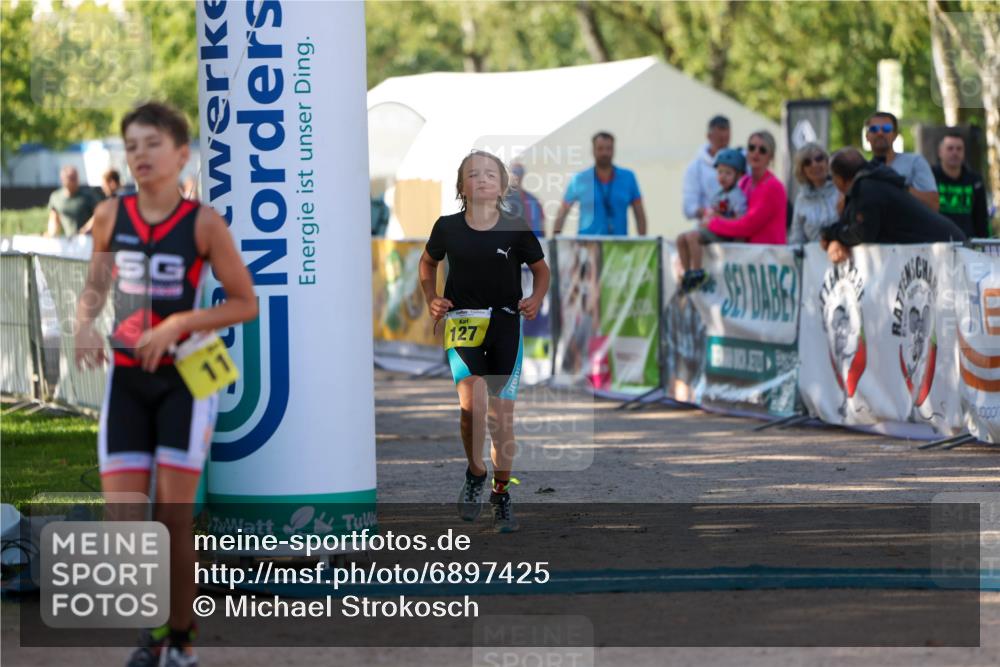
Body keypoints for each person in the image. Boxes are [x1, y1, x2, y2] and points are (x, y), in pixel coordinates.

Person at [74, 101, 258, 667]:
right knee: (125, 516)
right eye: (131, 145)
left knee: (174, 521)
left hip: (185, 382)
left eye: (152, 143)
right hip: (127, 382)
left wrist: (180, 322)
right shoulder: (109, 215)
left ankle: (179, 642)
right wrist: (83, 324)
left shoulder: (204, 223)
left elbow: (245, 304)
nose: (140, 155)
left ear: (182, 154)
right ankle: (153, 632)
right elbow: (95, 290)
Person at [418, 150, 550, 533]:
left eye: (491, 174)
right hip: (462, 324)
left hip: (507, 325)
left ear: (503, 185)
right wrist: (432, 297)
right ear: (461, 186)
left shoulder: (516, 228)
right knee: (471, 406)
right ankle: (476, 471)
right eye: (473, 175)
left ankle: (501, 492)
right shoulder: (446, 228)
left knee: (500, 419)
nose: (482, 179)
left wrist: (536, 299)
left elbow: (541, 272)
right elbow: (427, 263)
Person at [821, 147, 966, 264]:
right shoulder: (873, 181)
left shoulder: (867, 189)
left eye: (832, 177)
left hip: (947, 252)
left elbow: (862, 233)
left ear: (839, 178)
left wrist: (832, 234)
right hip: (945, 246)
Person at [676, 148, 748, 292]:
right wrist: (708, 217)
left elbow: (740, 219)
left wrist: (718, 219)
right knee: (680, 238)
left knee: (692, 237)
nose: (722, 176)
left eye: (728, 173)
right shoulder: (718, 194)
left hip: (726, 234)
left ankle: (698, 272)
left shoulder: (737, 196)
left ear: (738, 175)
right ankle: (687, 273)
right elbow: (713, 212)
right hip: (715, 229)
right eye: (720, 172)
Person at [552, 131, 647, 236]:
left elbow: (639, 214)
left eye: (608, 148)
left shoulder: (628, 177)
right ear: (593, 150)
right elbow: (563, 212)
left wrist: (643, 243)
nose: (604, 153)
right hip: (587, 246)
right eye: (600, 148)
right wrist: (554, 241)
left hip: (619, 247)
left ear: (614, 150)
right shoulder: (579, 179)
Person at [701, 130, 787, 244]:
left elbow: (748, 226)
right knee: (687, 238)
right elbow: (729, 212)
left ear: (770, 157)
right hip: (744, 256)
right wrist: (712, 214)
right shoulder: (745, 182)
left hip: (767, 257)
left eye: (762, 150)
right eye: (752, 148)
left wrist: (713, 223)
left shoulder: (773, 187)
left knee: (694, 237)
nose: (756, 152)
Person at [865, 111, 939, 211]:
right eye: (874, 129)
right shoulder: (863, 170)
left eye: (886, 129)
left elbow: (933, 205)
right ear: (867, 136)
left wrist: (901, 186)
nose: (880, 133)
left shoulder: (915, 162)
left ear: (895, 135)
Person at [932, 130, 990, 238]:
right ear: (940, 152)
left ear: (964, 153)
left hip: (969, 246)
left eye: (959, 149)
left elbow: (982, 219)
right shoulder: (929, 177)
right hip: (937, 245)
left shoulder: (975, 180)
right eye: (950, 148)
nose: (955, 152)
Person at [788, 142, 840, 243]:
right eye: (807, 162)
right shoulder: (801, 199)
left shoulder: (841, 189)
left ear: (827, 161)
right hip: (813, 256)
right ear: (802, 170)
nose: (814, 164)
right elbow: (797, 237)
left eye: (819, 158)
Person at [682, 115, 731, 221]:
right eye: (720, 139)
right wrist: (710, 213)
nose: (723, 145)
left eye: (726, 139)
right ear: (709, 136)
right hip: (707, 227)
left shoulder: (740, 162)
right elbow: (689, 207)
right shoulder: (695, 168)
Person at [45, 165, 100, 237]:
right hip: (69, 241)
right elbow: (54, 218)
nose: (75, 180)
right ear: (62, 179)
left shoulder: (88, 195)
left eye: (75, 177)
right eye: (71, 178)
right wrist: (52, 233)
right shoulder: (56, 197)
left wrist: (85, 229)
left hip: (89, 239)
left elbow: (98, 214)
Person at [504, 162, 545, 237]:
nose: (517, 175)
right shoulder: (500, 200)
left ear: (523, 174)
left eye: (520, 172)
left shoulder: (533, 200)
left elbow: (541, 226)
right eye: (514, 172)